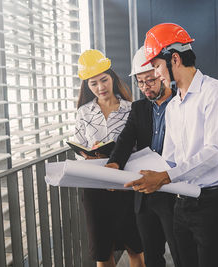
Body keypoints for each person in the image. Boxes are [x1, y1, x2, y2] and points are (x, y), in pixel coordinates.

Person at [124, 23, 218, 267]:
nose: (156, 74)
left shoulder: (215, 93)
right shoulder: (174, 106)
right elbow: (171, 158)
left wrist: (164, 176)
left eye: (156, 66)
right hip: (181, 205)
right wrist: (146, 175)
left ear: (174, 59)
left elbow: (215, 152)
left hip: (211, 205)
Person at [105, 46, 181, 267]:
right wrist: (114, 164)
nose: (145, 87)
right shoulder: (138, 109)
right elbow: (126, 140)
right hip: (146, 196)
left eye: (150, 80)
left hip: (173, 191)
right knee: (152, 257)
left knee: (181, 254)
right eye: (140, 82)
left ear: (161, 77)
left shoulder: (180, 104)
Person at [75, 49, 145, 267]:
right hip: (95, 188)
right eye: (93, 84)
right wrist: (86, 153)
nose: (100, 87)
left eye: (104, 80)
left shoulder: (130, 109)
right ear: (87, 86)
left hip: (125, 184)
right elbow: (79, 146)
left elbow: (138, 146)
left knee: (135, 246)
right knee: (102, 251)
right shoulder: (84, 112)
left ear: (112, 78)